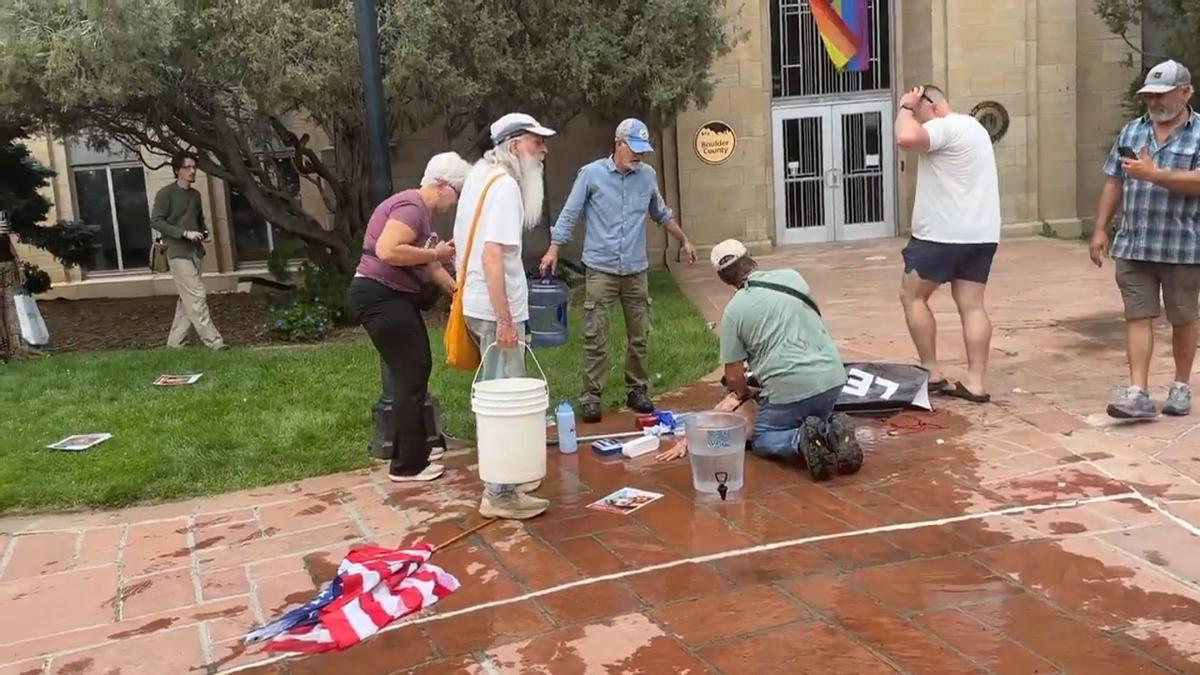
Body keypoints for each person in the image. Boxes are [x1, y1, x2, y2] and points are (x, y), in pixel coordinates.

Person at [656, 240, 862, 482]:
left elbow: (733, 379)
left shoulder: (734, 312)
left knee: (764, 437)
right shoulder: (792, 277)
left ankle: (801, 441)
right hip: (831, 380)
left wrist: (742, 393)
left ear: (723, 279)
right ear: (752, 258)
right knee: (812, 417)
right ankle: (830, 433)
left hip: (788, 393)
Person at [540, 118, 698, 424]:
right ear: (618, 143)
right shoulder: (591, 175)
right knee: (595, 335)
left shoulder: (647, 176)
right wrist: (553, 249)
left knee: (639, 335)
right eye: (634, 149)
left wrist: (684, 239)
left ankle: (636, 390)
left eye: (643, 150)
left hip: (636, 270)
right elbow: (570, 214)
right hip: (601, 269)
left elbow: (661, 214)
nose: (639, 156)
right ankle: (591, 397)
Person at [454, 112, 556, 520]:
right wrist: (508, 322)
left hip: (482, 304)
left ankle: (510, 479)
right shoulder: (504, 188)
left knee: (500, 396)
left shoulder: (481, 179)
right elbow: (492, 255)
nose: (544, 151)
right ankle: (500, 492)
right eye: (536, 143)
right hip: (496, 310)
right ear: (514, 146)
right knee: (503, 401)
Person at [346, 152, 469, 483]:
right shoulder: (411, 206)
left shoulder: (422, 216)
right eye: (457, 192)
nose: (456, 201)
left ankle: (414, 453)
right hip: (378, 296)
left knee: (413, 372)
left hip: (386, 297)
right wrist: (436, 252)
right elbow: (388, 250)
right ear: (442, 185)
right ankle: (407, 465)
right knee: (411, 373)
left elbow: (433, 270)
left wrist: (460, 294)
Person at [1090, 60, 1199, 419]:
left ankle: (1181, 386)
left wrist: (1155, 174)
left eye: (1161, 95)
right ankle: (1138, 392)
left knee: (1183, 318)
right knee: (1138, 315)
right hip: (1135, 244)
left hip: (1182, 246)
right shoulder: (1132, 132)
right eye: (1149, 96)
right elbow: (1114, 180)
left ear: (1185, 93)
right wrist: (1101, 228)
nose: (1153, 102)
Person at [894, 84, 1001, 403]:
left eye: (919, 110)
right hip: (981, 234)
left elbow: (905, 138)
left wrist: (904, 108)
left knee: (912, 295)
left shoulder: (945, 125)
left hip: (940, 235)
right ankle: (976, 383)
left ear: (931, 104)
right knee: (972, 305)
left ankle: (931, 371)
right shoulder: (976, 129)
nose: (917, 118)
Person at [151, 154, 226, 350]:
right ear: (177, 170)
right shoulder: (165, 194)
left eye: (194, 167)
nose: (192, 171)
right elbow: (156, 221)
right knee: (197, 295)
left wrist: (204, 233)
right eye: (187, 167)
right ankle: (215, 342)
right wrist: (184, 233)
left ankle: (175, 344)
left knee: (187, 300)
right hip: (177, 252)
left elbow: (199, 221)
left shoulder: (195, 195)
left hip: (196, 253)